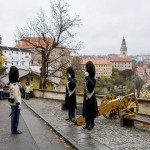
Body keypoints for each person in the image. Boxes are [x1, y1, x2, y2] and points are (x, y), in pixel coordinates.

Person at [82, 61, 99, 130]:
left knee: (91, 111)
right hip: (86, 95)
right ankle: (87, 124)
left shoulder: (93, 78)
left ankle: (91, 124)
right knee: (86, 110)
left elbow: (92, 84)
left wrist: (87, 77)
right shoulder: (88, 78)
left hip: (91, 97)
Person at [9, 66, 22, 134]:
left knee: (13, 117)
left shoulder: (12, 84)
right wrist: (18, 104)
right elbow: (16, 95)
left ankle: (13, 129)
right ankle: (15, 130)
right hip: (16, 103)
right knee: (15, 117)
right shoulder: (14, 85)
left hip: (13, 103)